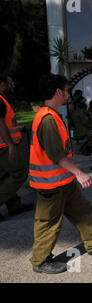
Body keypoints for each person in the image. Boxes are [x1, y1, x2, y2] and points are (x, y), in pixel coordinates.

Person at [29, 73, 92, 274]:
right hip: (50, 185)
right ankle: (40, 261)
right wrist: (79, 173)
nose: (69, 94)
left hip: (63, 181)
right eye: (67, 90)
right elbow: (56, 155)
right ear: (58, 92)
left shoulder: (52, 115)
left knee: (82, 211)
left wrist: (72, 175)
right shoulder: (47, 119)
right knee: (49, 223)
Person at [0, 74, 33, 222]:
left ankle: (14, 205)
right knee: (20, 172)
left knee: (4, 176)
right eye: (10, 83)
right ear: (2, 85)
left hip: (3, 145)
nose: (12, 86)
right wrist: (11, 145)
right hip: (4, 147)